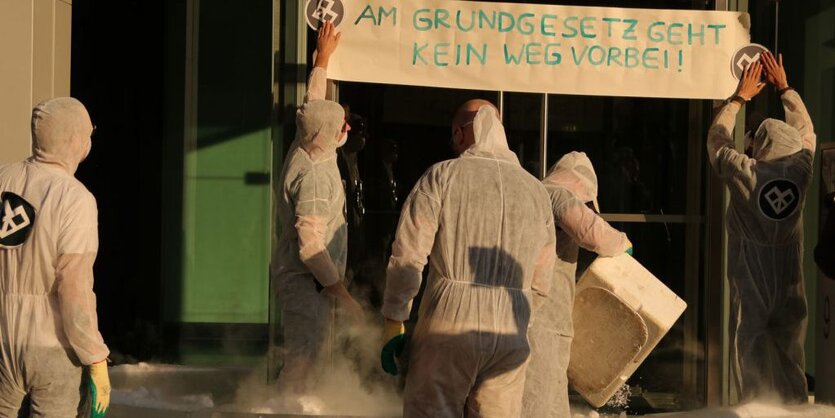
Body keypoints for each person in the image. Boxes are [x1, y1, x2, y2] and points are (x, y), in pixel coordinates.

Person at [379, 100, 557, 417]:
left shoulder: (442, 177)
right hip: (510, 332)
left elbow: (409, 254)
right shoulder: (536, 191)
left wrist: (395, 317)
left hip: (448, 326)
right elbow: (542, 279)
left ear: (461, 134)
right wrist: (520, 318)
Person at [706, 51, 816, 403]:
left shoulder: (745, 173)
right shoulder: (802, 170)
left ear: (760, 145)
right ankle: (796, 410)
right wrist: (785, 89)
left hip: (750, 279)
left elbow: (717, 141)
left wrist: (739, 98)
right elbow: (806, 133)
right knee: (790, 355)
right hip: (788, 280)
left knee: (749, 351)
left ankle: (754, 411)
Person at [0, 97, 111, 417]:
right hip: (52, 347)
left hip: (3, 342)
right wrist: (94, 356)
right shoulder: (75, 198)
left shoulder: (4, 180)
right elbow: (73, 288)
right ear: (75, 139)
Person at [271, 21, 364, 398]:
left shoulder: (305, 140)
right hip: (307, 285)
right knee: (304, 363)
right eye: (344, 123)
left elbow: (311, 105)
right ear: (334, 133)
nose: (348, 127)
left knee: (309, 359)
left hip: (308, 285)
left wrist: (322, 58)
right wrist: (342, 293)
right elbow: (310, 243)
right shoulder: (313, 175)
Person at [522, 151, 632, 417]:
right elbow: (593, 233)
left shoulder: (532, 194)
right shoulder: (556, 195)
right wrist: (623, 244)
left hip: (534, 318)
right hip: (542, 321)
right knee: (541, 401)